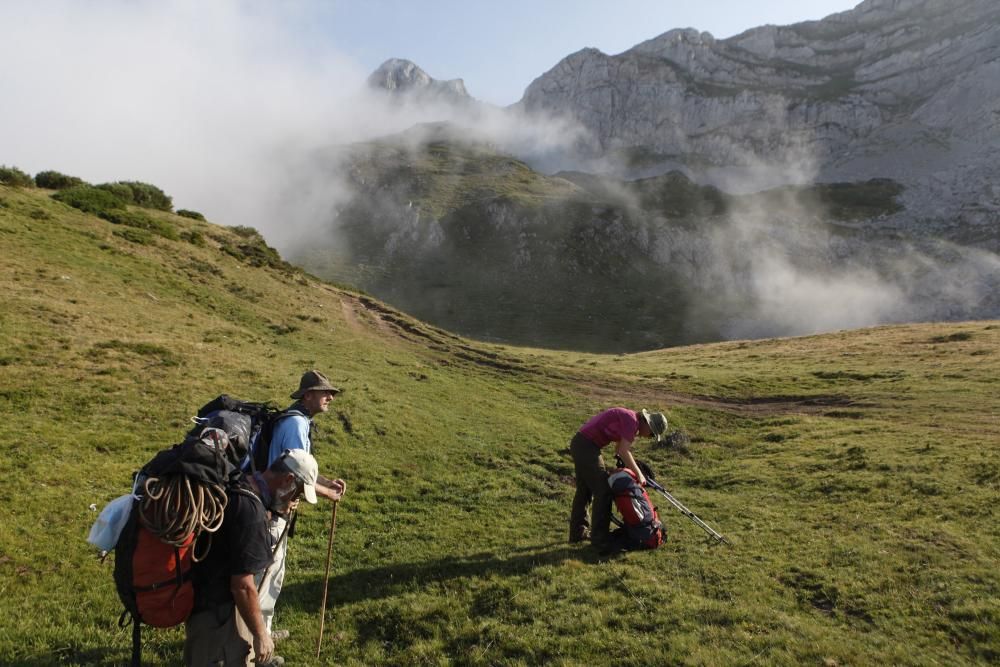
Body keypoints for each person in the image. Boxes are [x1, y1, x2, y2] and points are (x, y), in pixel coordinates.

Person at [184, 449, 321, 667]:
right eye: (296, 494)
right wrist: (261, 635)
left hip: (202, 601)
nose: (294, 501)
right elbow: (243, 586)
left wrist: (280, 507)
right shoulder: (251, 512)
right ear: (288, 479)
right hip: (219, 614)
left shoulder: (242, 482)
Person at [259, 369, 348, 642]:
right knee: (267, 573)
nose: (330, 397)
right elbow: (296, 474)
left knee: (271, 572)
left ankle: (262, 632)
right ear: (308, 395)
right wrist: (327, 494)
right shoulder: (297, 424)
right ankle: (256, 641)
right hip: (273, 508)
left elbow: (301, 466)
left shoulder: (296, 420)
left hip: (271, 502)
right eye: (325, 393)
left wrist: (325, 481)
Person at [569, 407, 667, 547]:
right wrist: (639, 475)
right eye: (652, 434)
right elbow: (623, 451)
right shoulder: (632, 422)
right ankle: (599, 538)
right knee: (603, 490)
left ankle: (578, 533)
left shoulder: (630, 419)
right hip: (587, 446)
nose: (649, 437)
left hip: (582, 444)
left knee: (584, 490)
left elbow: (619, 449)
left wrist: (623, 466)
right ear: (648, 424)